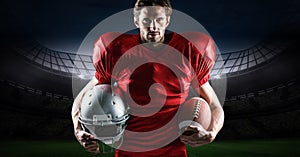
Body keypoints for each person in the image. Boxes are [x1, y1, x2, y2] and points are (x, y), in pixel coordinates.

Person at [71, 0, 224, 156]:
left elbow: (214, 105)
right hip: (128, 151)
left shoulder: (189, 50)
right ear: (136, 21)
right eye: (146, 20)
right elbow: (84, 97)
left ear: (168, 20)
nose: (153, 26)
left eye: (159, 19)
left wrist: (211, 133)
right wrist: (78, 130)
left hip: (173, 151)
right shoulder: (116, 50)